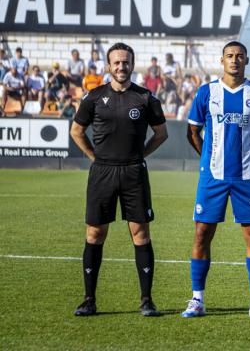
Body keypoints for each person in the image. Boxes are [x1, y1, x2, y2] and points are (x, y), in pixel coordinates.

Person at [69, 42, 168, 317]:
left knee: (140, 234)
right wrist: (93, 156)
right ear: (108, 66)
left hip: (134, 172)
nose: (121, 66)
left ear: (132, 65)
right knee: (95, 234)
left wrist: (140, 154)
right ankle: (89, 299)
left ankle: (146, 300)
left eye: (126, 62)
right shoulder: (93, 97)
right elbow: (76, 131)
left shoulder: (146, 98)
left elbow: (161, 134)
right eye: (116, 62)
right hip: (102, 173)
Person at [181, 41, 250, 319]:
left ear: (247, 60)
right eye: (230, 56)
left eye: (240, 56)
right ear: (222, 60)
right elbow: (193, 132)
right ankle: (197, 299)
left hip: (246, 177)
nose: (234, 60)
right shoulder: (206, 93)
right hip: (213, 178)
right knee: (202, 234)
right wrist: (208, 160)